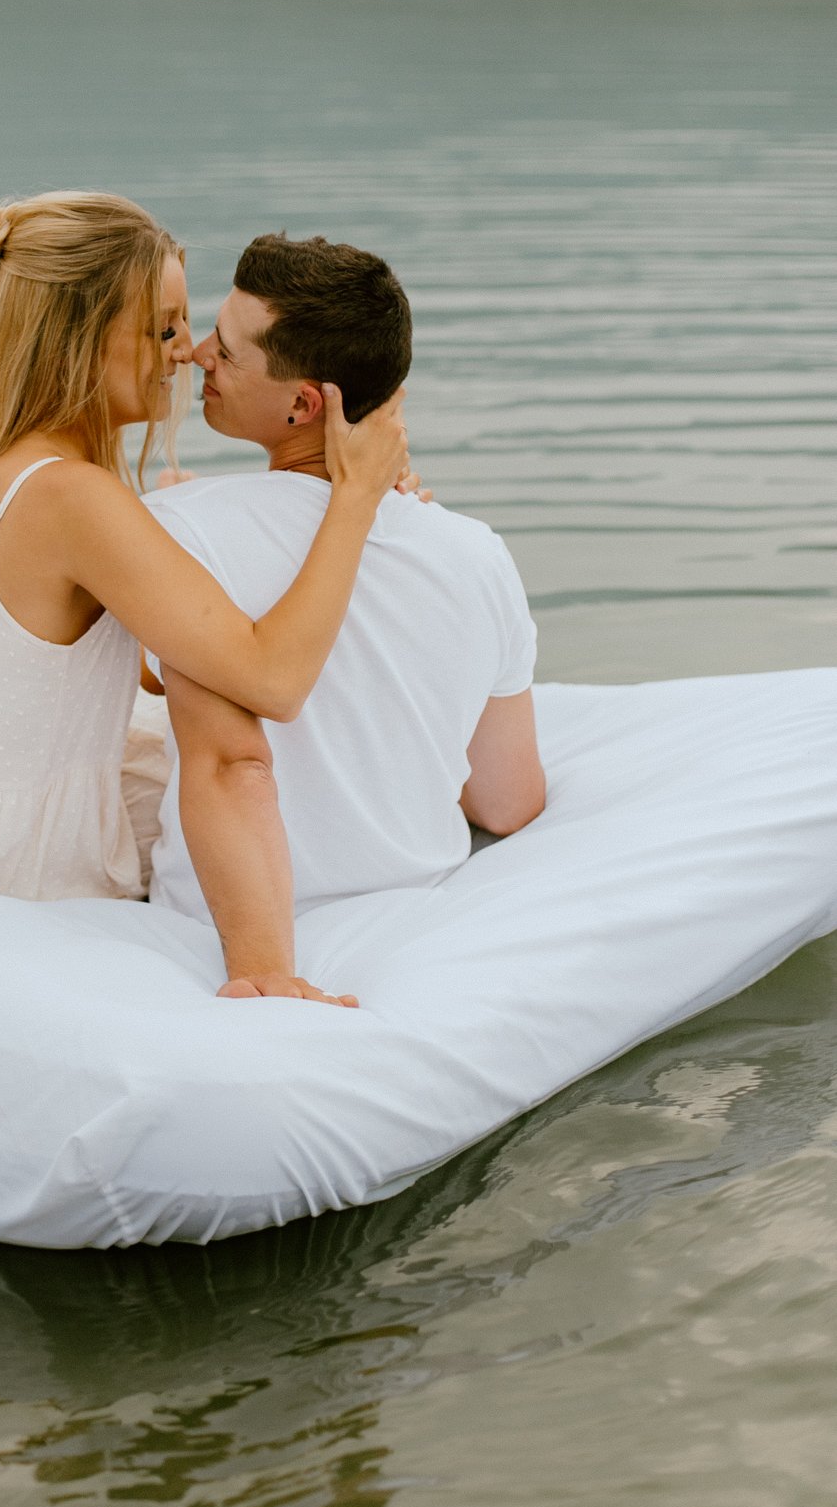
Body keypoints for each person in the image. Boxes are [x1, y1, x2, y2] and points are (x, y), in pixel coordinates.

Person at [0, 193, 412, 903]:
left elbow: (105, 667)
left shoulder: (0, 458)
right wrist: (354, 500)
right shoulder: (72, 498)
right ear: (78, 341)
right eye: (163, 331)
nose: (188, 353)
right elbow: (273, 683)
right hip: (4, 853)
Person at [144, 232, 546, 1005]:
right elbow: (507, 801)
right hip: (416, 916)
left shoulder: (175, 527)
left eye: (224, 351)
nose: (195, 354)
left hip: (215, 925)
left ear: (303, 403)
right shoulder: (473, 552)